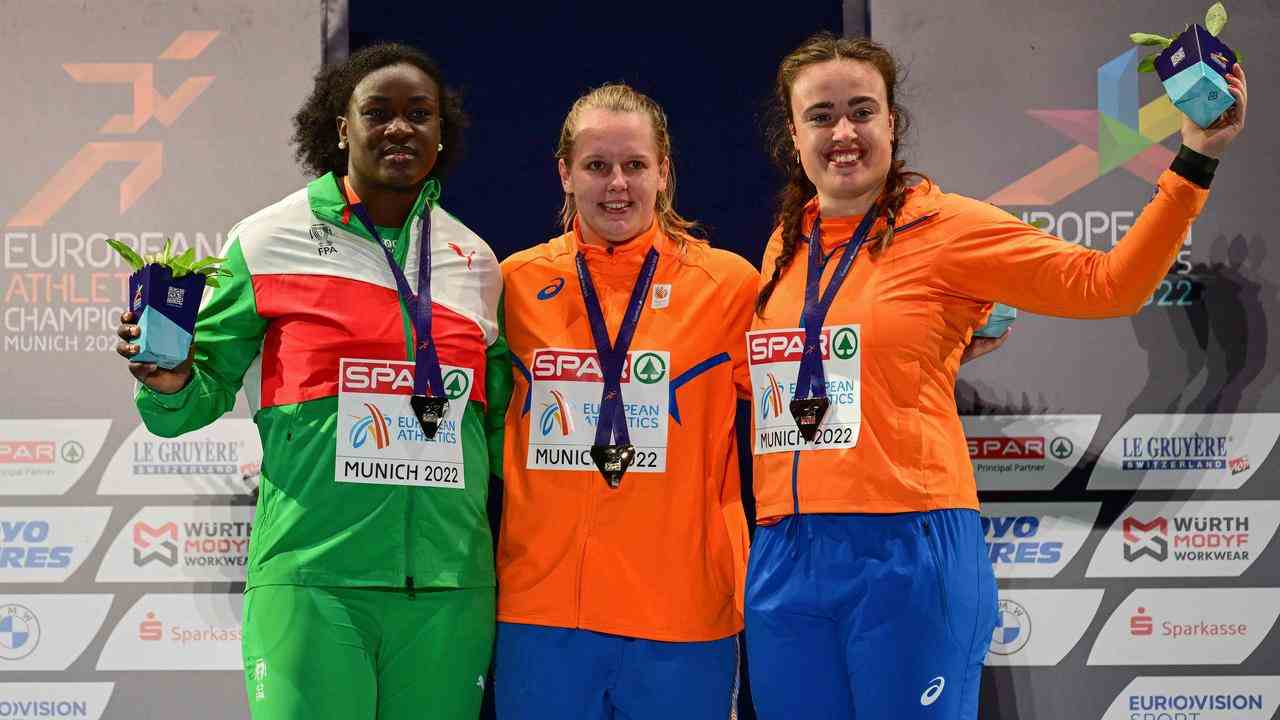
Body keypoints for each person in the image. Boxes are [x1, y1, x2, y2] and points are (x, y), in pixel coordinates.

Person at [743, 32, 1247, 720]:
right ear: (793, 134)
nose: (843, 132)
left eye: (862, 111)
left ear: (892, 122)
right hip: (785, 552)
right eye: (821, 116)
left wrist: (1196, 159)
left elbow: (1108, 285)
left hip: (908, 548)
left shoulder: (951, 229)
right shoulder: (784, 243)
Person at [116, 43, 509, 720]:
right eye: (377, 112)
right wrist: (170, 378)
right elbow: (190, 395)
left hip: (448, 589)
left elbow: (499, 423)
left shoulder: (474, 260)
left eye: (421, 114)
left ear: (443, 134)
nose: (400, 128)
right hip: (313, 582)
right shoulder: (267, 240)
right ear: (339, 127)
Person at [493, 83, 758, 719]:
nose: (618, 183)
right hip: (542, 616)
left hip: (684, 615)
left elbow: (805, 400)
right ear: (565, 173)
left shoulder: (728, 285)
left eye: (635, 165)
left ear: (664, 172)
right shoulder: (514, 284)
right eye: (597, 165)